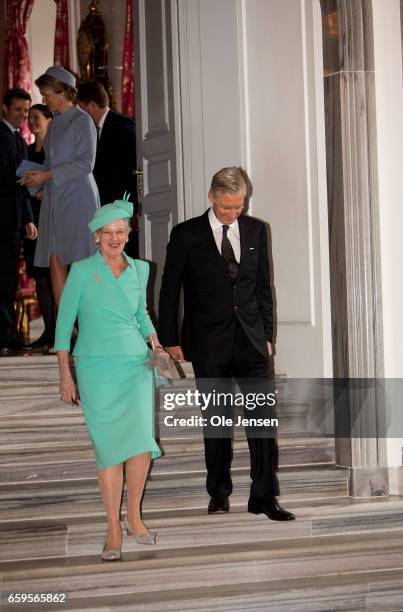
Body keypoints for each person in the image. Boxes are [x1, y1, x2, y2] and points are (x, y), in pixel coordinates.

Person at [158, 166, 295, 521]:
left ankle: (263, 496)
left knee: (263, 423)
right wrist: (170, 339)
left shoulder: (256, 230)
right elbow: (170, 291)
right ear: (211, 198)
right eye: (226, 208)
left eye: (238, 207)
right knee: (217, 421)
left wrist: (268, 335)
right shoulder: (186, 234)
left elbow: (265, 288)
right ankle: (218, 492)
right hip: (208, 342)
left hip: (251, 341)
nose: (233, 214)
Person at [54, 195, 167, 561]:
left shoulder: (139, 269)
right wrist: (65, 375)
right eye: (107, 232)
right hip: (96, 368)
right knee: (107, 448)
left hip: (135, 365)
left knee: (138, 442)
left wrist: (155, 343)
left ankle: (134, 517)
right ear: (96, 236)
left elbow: (141, 315)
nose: (115, 238)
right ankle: (112, 526)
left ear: (129, 234)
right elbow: (62, 325)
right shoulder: (82, 271)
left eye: (120, 231)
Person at [21, 66, 100, 306]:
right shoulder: (54, 125)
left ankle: (88, 326)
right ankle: (67, 331)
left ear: (62, 93)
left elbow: (86, 164)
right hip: (55, 199)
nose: (43, 99)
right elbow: (50, 162)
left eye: (46, 93)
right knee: (55, 259)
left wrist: (47, 175)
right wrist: (37, 181)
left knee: (80, 262)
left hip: (79, 198)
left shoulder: (82, 120)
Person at [76, 80, 138, 258]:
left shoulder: (124, 126)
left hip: (121, 209)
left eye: (81, 109)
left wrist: (134, 206)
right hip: (101, 208)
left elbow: (137, 170)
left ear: (92, 106)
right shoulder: (91, 131)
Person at [0, 88, 37, 351]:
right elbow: (5, 173)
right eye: (18, 110)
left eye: (26, 110)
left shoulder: (20, 140)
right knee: (1, 280)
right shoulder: (0, 135)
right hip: (0, 219)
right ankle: (5, 337)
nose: (23, 116)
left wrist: (28, 218)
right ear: (4, 109)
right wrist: (35, 183)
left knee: (8, 280)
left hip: (12, 221)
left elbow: (21, 177)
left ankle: (9, 336)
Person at [23, 104, 55, 349]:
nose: (32, 121)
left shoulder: (58, 150)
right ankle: (50, 331)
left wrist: (48, 190)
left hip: (56, 216)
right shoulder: (25, 151)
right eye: (29, 118)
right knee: (41, 279)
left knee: (61, 275)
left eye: (37, 117)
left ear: (49, 119)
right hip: (34, 217)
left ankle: (69, 332)